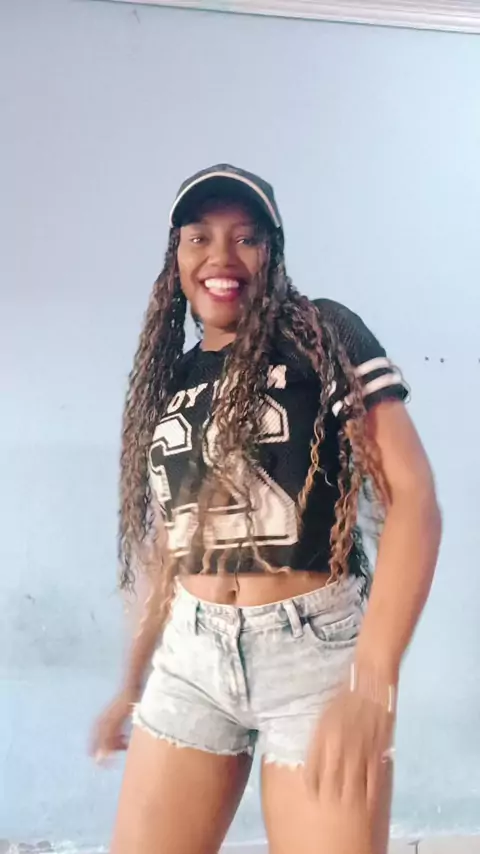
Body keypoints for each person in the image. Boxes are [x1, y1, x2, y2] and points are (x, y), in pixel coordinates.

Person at [90, 164, 441, 854]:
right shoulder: (172, 379)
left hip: (312, 659)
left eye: (247, 238)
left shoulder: (323, 333)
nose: (222, 257)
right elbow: (170, 545)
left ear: (273, 255)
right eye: (200, 237)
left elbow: (414, 500)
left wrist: (374, 679)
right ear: (177, 257)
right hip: (191, 660)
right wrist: (131, 680)